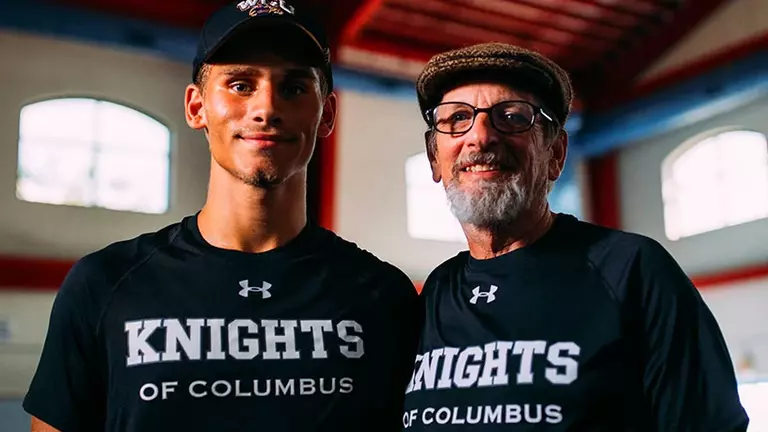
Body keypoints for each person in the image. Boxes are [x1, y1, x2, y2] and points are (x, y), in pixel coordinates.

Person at [23, 1, 421, 431]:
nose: (266, 108)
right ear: (196, 108)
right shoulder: (104, 284)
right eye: (240, 84)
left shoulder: (383, 296)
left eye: (293, 88)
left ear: (327, 113)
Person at [400, 42, 749, 431]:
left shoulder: (631, 272)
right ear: (435, 158)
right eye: (457, 118)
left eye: (512, 117)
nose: (480, 137)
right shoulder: (437, 292)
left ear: (556, 153)